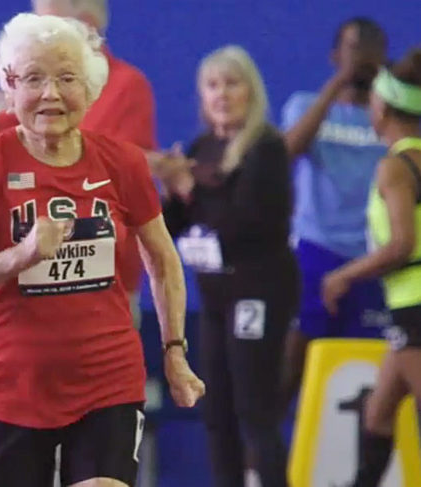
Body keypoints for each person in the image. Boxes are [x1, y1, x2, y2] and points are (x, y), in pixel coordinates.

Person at [0, 14, 204, 487]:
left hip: (107, 377)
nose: (51, 95)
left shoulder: (121, 161)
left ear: (91, 87)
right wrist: (22, 255)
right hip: (11, 385)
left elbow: (162, 259)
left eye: (66, 79)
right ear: (10, 86)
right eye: (34, 79)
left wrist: (174, 350)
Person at [0, 0, 157, 330]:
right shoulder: (20, 111)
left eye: (46, 26)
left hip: (105, 280)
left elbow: (132, 162)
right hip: (24, 288)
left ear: (85, 26)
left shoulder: (126, 85)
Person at [152, 46, 298, 487]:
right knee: (215, 410)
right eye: (212, 85)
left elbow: (243, 225)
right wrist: (169, 190)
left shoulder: (266, 148)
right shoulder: (201, 147)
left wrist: (189, 189)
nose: (222, 94)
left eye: (232, 84)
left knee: (255, 409)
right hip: (215, 296)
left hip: (259, 291)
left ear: (250, 91)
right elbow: (177, 224)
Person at [321, 48, 421, 487]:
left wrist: (343, 274)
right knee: (378, 413)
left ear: (381, 107)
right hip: (406, 308)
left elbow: (401, 243)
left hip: (415, 306)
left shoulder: (394, 167)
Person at [280, 18, 389, 410]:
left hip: (372, 258)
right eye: (352, 48)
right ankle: (261, 468)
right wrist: (338, 83)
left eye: (370, 49)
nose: (360, 58)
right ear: (334, 55)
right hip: (314, 252)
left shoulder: (389, 120)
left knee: (369, 378)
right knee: (289, 368)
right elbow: (285, 154)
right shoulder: (305, 106)